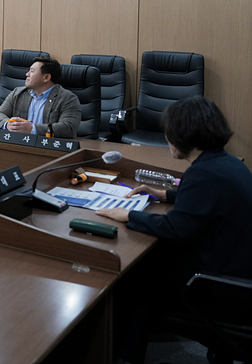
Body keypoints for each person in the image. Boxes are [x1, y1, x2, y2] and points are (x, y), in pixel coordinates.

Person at [96, 97, 252, 363]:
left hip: (217, 287)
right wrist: (165, 194)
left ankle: (122, 356)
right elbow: (210, 198)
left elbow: (175, 228)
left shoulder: (203, 173)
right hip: (238, 271)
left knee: (133, 278)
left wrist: (128, 214)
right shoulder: (227, 162)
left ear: (182, 135)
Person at [0, 57, 81, 140]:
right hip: (19, 143)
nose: (27, 74)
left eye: (32, 71)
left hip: (47, 146)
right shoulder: (18, 93)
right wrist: (8, 124)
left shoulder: (68, 98)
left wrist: (32, 129)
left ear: (46, 77)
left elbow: (69, 127)